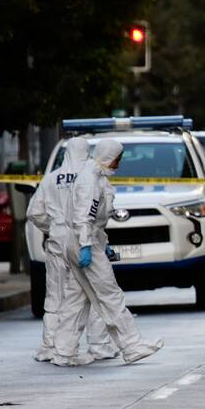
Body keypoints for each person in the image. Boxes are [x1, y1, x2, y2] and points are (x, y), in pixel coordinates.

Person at [52, 139, 163, 367]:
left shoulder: (95, 176)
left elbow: (94, 221)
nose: (119, 163)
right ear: (107, 156)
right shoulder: (90, 180)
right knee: (110, 294)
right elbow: (85, 216)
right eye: (117, 159)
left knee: (78, 298)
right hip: (84, 244)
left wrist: (103, 244)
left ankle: (64, 351)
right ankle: (132, 345)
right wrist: (87, 246)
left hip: (83, 241)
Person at [26, 138, 118, 363]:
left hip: (59, 244)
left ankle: (51, 346)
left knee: (56, 296)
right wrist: (101, 242)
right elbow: (103, 213)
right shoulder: (94, 177)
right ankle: (99, 346)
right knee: (94, 295)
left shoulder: (50, 179)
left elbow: (34, 212)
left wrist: (56, 228)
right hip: (85, 244)